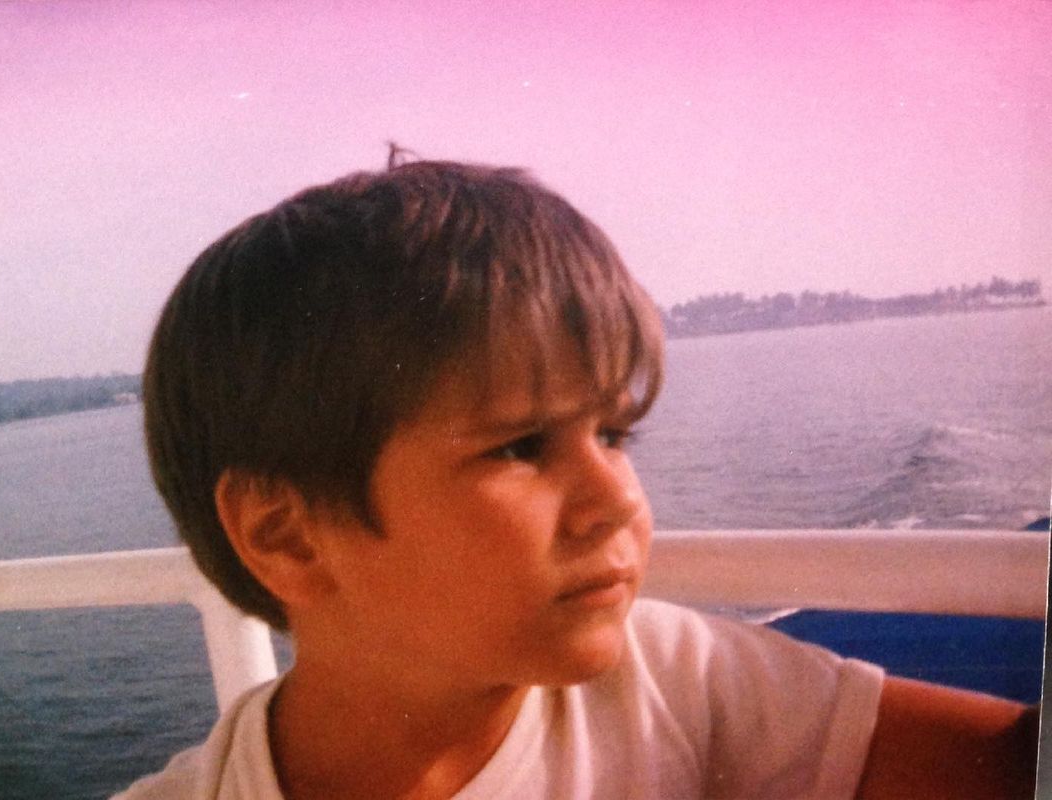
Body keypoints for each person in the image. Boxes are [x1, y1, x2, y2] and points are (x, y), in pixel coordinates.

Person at [118, 152, 1038, 799]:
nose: (619, 501)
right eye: (520, 447)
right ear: (286, 534)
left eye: (614, 434)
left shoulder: (676, 686)